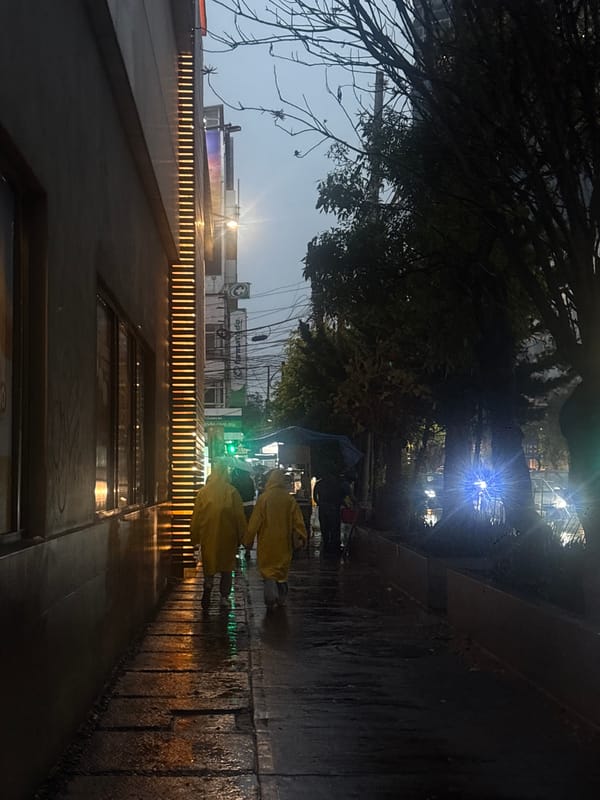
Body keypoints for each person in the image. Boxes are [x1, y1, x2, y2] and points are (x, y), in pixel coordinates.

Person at [245, 469, 307, 610]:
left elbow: (254, 523)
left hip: (267, 543)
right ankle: (281, 596)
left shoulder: (264, 499)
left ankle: (270, 597)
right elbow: (298, 522)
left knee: (269, 572)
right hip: (284, 543)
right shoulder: (289, 500)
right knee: (281, 572)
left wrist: (248, 541)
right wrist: (302, 537)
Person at [190, 460, 247, 610]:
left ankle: (208, 585)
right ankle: (224, 597)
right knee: (226, 569)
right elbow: (239, 517)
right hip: (228, 538)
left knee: (210, 564)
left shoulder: (203, 492)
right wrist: (243, 537)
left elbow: (196, 517)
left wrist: (194, 536)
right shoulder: (232, 492)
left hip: (208, 537)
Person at [313, 471, 346, 554]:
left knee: (325, 528)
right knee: (334, 528)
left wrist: (319, 503)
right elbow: (340, 497)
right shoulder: (336, 484)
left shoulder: (319, 484)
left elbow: (315, 497)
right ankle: (334, 546)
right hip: (333, 508)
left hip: (323, 508)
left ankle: (326, 545)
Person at [230, 466, 256, 559]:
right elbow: (253, 493)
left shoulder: (235, 481)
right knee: (248, 528)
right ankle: (248, 549)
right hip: (249, 506)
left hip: (238, 506)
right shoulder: (250, 481)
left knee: (236, 527)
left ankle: (236, 548)